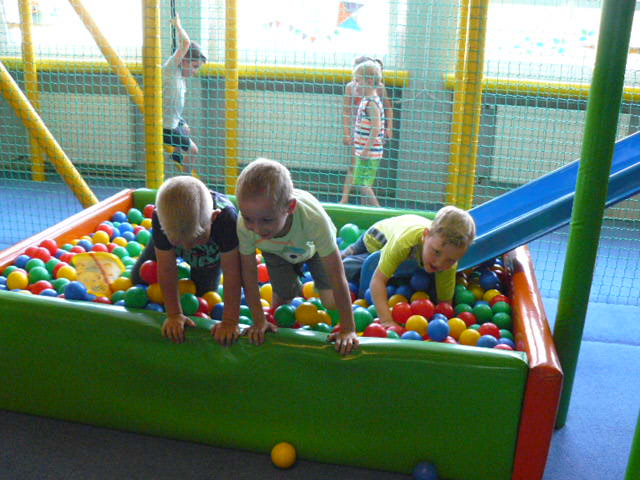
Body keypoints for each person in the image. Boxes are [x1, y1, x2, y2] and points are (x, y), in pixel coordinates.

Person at [235, 158, 359, 355]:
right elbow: (249, 276)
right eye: (249, 218)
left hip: (313, 250)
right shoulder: (245, 226)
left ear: (290, 207)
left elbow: (337, 275)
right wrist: (259, 320)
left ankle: (304, 284)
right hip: (275, 251)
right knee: (281, 305)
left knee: (331, 302)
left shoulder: (314, 220)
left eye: (266, 220)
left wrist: (348, 328)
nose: (256, 229)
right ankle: (291, 288)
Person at [130, 176, 242, 346]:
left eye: (196, 239)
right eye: (179, 242)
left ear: (213, 217)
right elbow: (167, 269)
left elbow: (233, 273)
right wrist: (174, 314)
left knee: (202, 297)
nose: (188, 247)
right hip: (169, 237)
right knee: (138, 279)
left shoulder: (226, 221)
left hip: (209, 254)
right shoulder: (162, 218)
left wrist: (230, 321)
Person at [341, 207, 476, 328]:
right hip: (377, 239)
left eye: (451, 260)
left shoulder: (447, 260)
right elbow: (377, 281)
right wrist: (387, 320)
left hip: (407, 245)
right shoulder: (404, 243)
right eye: (436, 252)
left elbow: (445, 303)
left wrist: (444, 321)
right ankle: (350, 251)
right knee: (347, 267)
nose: (440, 263)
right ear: (425, 235)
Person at [340, 56, 393, 206]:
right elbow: (346, 111)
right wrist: (347, 133)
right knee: (360, 179)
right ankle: (353, 202)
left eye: (358, 81)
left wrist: (388, 128)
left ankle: (377, 210)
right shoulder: (364, 97)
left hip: (368, 145)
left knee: (364, 183)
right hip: (362, 140)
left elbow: (377, 125)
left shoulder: (372, 101)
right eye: (355, 80)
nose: (355, 84)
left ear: (369, 82)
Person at [162, 14, 207, 173]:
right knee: (193, 150)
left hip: (174, 119)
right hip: (166, 126)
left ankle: (176, 153)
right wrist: (178, 26)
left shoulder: (181, 75)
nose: (195, 71)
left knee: (186, 128)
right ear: (183, 60)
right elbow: (186, 43)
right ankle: (186, 178)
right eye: (194, 66)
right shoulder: (171, 69)